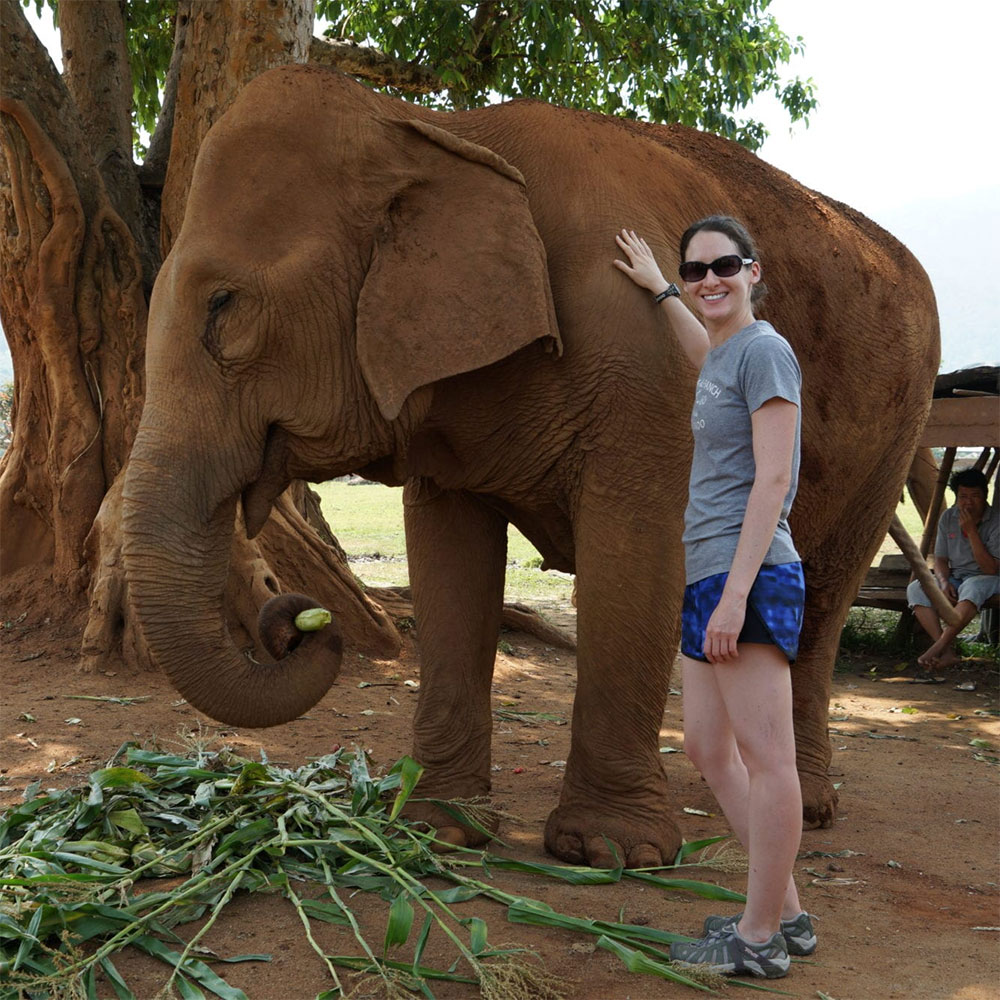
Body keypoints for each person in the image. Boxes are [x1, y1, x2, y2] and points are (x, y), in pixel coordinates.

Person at [613, 218, 815, 979]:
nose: (709, 280)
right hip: (712, 574)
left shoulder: (766, 351)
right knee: (706, 744)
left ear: (752, 271)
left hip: (750, 573)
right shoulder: (727, 354)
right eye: (696, 270)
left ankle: (758, 940)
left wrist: (735, 597)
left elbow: (774, 479)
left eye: (722, 266)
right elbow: (704, 352)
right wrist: (661, 289)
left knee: (769, 758)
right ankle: (786, 912)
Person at [908, 468, 999, 669]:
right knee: (917, 587)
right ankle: (947, 652)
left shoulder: (996, 521)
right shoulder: (949, 517)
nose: (968, 502)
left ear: (985, 495)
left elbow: (990, 569)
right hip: (958, 578)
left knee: (973, 586)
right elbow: (940, 559)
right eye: (963, 496)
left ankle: (938, 646)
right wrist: (943, 582)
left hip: (989, 579)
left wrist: (971, 531)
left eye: (975, 496)